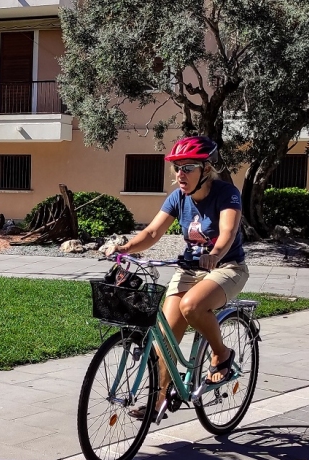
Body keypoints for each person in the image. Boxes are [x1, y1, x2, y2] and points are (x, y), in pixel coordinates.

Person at [104, 136, 249, 418]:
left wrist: (215, 254)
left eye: (188, 167)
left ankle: (221, 354)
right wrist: (123, 248)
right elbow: (152, 233)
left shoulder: (227, 193)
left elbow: (228, 231)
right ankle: (159, 400)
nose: (180, 174)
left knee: (191, 306)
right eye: (177, 167)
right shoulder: (177, 198)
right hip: (189, 269)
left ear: (206, 169)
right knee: (164, 341)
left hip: (227, 267)